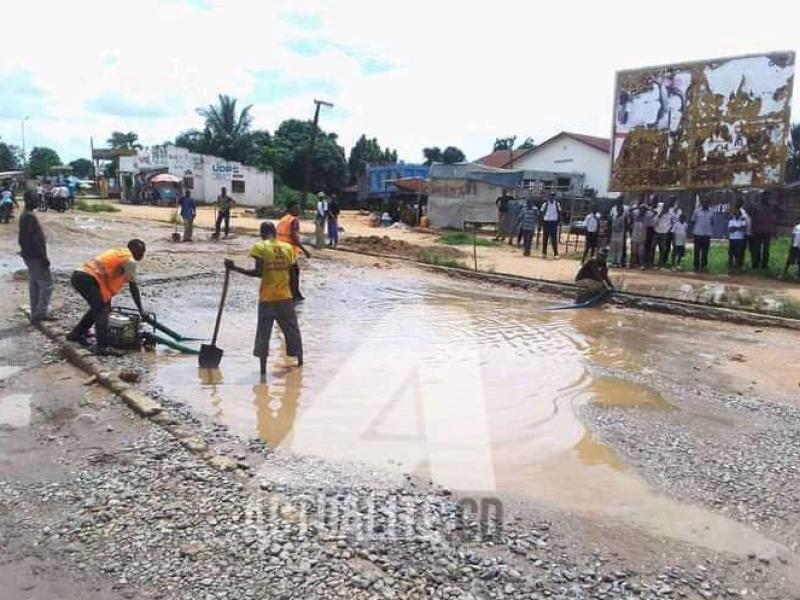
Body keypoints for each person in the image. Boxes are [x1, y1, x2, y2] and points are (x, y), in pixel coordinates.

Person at [225, 222, 303, 376]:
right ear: (275, 232)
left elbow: (259, 272)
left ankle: (262, 371)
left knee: (263, 334)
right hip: (285, 297)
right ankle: (300, 363)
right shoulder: (287, 248)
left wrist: (236, 269)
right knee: (292, 330)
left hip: (267, 298)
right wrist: (294, 295)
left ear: (262, 233)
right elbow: (294, 273)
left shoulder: (260, 247)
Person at [67, 240, 148, 356]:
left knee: (99, 307)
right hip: (88, 279)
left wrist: (107, 301)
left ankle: (76, 334)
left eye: (143, 252)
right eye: (140, 251)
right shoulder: (129, 260)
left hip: (81, 276)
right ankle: (102, 347)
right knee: (101, 310)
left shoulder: (119, 253)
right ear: (133, 249)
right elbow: (133, 287)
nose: (142, 255)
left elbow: (107, 277)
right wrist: (141, 310)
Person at [18, 189, 54, 322]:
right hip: (35, 256)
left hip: (29, 255)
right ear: (28, 200)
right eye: (35, 199)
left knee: (35, 284)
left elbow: (22, 238)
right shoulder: (29, 216)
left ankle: (36, 312)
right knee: (47, 284)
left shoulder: (25, 215)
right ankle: (41, 313)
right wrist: (43, 257)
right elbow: (34, 240)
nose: (38, 201)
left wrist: (25, 252)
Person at [277, 203, 311, 302]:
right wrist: (305, 251)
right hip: (288, 250)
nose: (299, 210)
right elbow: (294, 237)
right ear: (290, 209)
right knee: (294, 273)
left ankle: (291, 293)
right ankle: (294, 295)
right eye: (296, 208)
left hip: (279, 248)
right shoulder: (294, 220)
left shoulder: (284, 219)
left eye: (299, 208)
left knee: (287, 273)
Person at [750, 191, 777, 270]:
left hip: (767, 231)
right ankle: (755, 265)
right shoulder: (756, 206)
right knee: (756, 249)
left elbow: (781, 211)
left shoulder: (772, 206)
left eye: (767, 196)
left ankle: (764, 265)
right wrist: (753, 229)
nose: (765, 198)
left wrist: (774, 228)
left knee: (766, 250)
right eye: (764, 196)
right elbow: (753, 218)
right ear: (761, 197)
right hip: (757, 231)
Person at [691, 197, 713, 272]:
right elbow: (693, 221)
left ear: (708, 204)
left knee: (705, 252)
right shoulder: (697, 211)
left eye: (706, 203)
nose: (705, 204)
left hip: (707, 234)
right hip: (698, 234)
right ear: (701, 203)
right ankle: (696, 267)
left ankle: (704, 266)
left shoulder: (711, 212)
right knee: (696, 251)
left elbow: (712, 222)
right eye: (703, 202)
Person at [540, 192, 561, 258]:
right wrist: (541, 223)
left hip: (553, 223)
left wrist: (558, 222)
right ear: (548, 197)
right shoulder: (545, 204)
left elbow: (559, 213)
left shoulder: (557, 204)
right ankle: (544, 253)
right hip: (546, 222)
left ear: (554, 197)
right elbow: (541, 213)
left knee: (554, 239)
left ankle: (555, 254)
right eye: (550, 196)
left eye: (552, 196)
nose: (551, 197)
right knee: (545, 238)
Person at [653, 202, 673, 268]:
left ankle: (661, 263)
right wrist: (660, 215)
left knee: (663, 248)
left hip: (664, 233)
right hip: (657, 232)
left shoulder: (670, 214)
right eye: (665, 207)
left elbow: (672, 222)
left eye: (667, 208)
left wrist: (669, 229)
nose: (666, 209)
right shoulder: (658, 212)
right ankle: (651, 262)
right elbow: (654, 221)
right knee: (652, 247)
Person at [630, 203, 649, 268]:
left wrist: (648, 208)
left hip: (642, 237)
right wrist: (637, 207)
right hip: (634, 236)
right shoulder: (636, 216)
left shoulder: (646, 218)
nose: (642, 211)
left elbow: (655, 213)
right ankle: (632, 264)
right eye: (641, 209)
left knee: (641, 252)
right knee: (634, 251)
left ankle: (642, 264)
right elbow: (630, 210)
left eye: (643, 210)